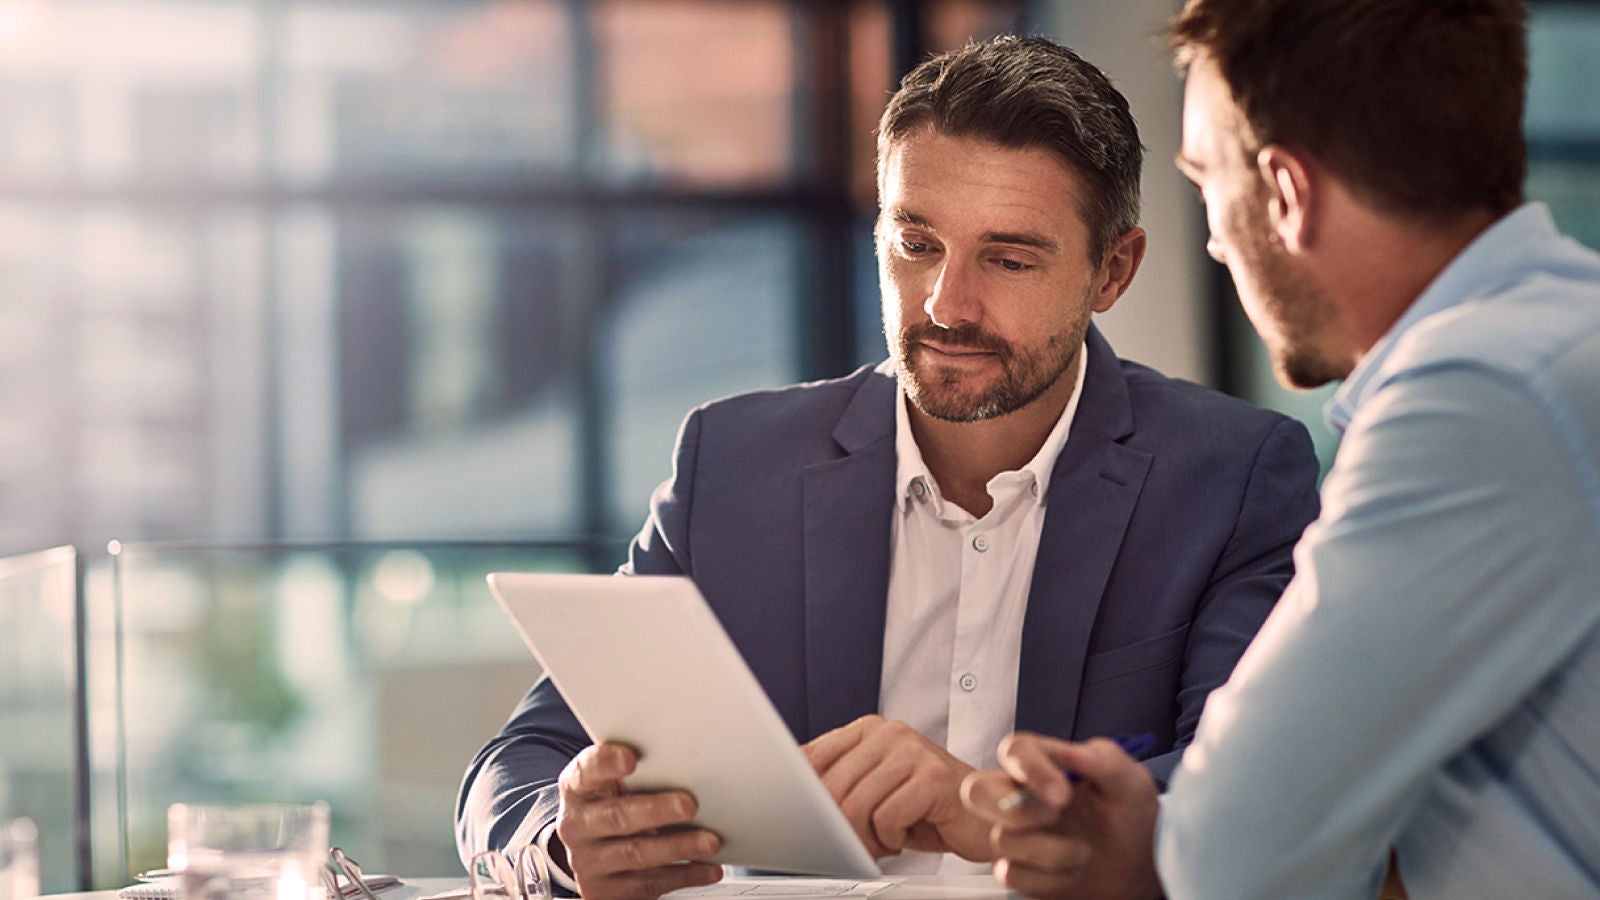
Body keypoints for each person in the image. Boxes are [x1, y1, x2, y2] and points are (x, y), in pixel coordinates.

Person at [457, 36, 1321, 900]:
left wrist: (987, 809)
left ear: (1113, 272)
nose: (947, 304)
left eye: (1009, 260)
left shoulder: (1232, 477)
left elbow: (1253, 798)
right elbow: (517, 766)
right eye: (915, 244)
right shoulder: (735, 465)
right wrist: (567, 841)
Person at [961, 2, 1600, 898]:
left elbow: (1234, 857)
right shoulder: (1562, 340)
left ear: (1287, 194)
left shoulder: (1477, 396)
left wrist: (1151, 839)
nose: (1217, 241)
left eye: (1207, 181)